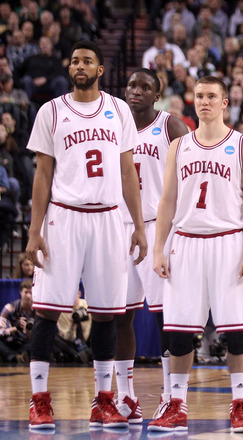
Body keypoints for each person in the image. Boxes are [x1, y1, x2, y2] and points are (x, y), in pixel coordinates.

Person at [24, 40, 147, 431]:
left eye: (87, 61)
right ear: (70, 67)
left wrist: (139, 226)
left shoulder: (119, 109)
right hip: (63, 217)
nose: (80, 65)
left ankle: (104, 399)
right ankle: (39, 399)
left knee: (108, 314)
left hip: (109, 218)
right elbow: (42, 175)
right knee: (46, 310)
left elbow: (129, 172)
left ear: (99, 69)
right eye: (75, 60)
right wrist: (34, 230)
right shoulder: (51, 111)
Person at [150, 75, 243, 433]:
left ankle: (240, 406)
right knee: (180, 332)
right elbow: (166, 202)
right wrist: (158, 249)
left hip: (229, 241)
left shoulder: (242, 145)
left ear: (225, 102)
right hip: (186, 242)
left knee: (237, 332)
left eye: (212, 96)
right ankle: (177, 405)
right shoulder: (179, 147)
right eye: (199, 96)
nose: (205, 102)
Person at [113, 68, 189, 424]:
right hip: (118, 226)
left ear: (156, 95)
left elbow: (194, 173)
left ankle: (169, 394)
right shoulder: (111, 125)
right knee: (117, 315)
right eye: (132, 85)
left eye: (145, 87)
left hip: (158, 228)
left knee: (165, 318)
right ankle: (124, 397)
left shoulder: (170, 126)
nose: (137, 91)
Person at [0, 278, 34, 363]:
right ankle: (16, 357)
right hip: (9, 342)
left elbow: (38, 336)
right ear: (20, 292)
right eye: (26, 292)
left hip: (24, 343)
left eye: (31, 293)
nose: (28, 296)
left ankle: (15, 357)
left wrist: (27, 331)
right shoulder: (10, 308)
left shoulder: (37, 312)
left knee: (40, 342)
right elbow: (0, 332)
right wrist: (15, 328)